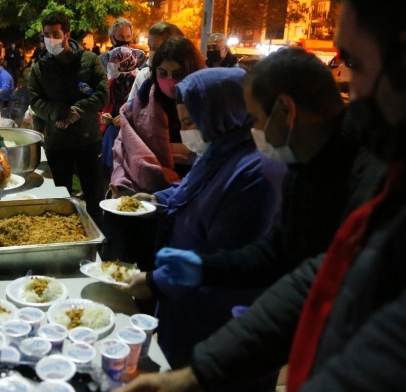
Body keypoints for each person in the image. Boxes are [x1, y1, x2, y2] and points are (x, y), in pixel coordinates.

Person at [117, 0, 406, 389]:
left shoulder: (403, 183)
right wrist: (200, 364)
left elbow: (395, 346)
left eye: (356, 65)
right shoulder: (359, 167)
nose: (350, 88)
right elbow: (315, 271)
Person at [155, 47, 382, 292]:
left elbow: (311, 281)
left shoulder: (367, 184)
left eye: (253, 118)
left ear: (286, 110)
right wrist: (206, 268)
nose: (252, 129)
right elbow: (280, 250)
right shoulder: (302, 168)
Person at [122, 68, 285, 368]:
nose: (187, 133)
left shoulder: (255, 172)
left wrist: (156, 283)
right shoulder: (219, 152)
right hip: (186, 306)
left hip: (220, 321)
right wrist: (157, 199)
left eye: (190, 122)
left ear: (222, 112)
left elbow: (224, 259)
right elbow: (191, 190)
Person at [28, 11, 109, 221]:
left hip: (88, 140)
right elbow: (35, 101)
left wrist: (77, 110)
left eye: (55, 34)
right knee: (60, 198)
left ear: (67, 34)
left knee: (95, 195)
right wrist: (61, 112)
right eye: (46, 35)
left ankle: (98, 239)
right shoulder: (40, 69)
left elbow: (102, 95)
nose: (50, 39)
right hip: (57, 142)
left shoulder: (90, 61)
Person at [111, 37, 206, 195]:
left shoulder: (207, 105)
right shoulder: (138, 107)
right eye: (163, 73)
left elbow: (214, 150)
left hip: (197, 191)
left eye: (177, 74)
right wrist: (122, 185)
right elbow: (123, 151)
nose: (169, 80)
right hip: (144, 196)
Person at [99, 45, 146, 177]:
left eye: (114, 62)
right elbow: (100, 108)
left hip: (130, 135)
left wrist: (127, 118)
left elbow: (143, 111)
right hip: (110, 133)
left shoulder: (141, 83)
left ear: (126, 64)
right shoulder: (111, 83)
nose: (110, 65)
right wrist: (103, 116)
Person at [127, 22, 183, 102]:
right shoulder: (143, 75)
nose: (151, 53)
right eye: (149, 47)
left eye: (156, 48)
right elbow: (129, 110)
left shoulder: (184, 79)